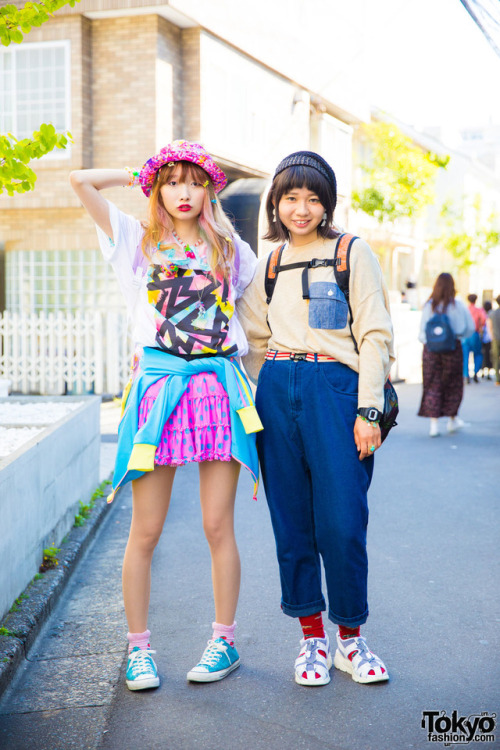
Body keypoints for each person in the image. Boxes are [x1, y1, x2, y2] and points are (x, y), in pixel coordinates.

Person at [70, 140, 261, 691]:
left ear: (210, 189)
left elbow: (250, 325)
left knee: (217, 524)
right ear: (158, 188)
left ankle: (223, 641)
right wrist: (141, 171)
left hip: (218, 388)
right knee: (145, 529)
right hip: (158, 390)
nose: (183, 192)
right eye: (172, 181)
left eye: (194, 181)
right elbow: (80, 181)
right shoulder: (136, 238)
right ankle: (139, 651)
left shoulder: (232, 250)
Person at [237, 150, 394, 687]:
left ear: (326, 202)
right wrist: (270, 388)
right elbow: (253, 338)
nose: (300, 209)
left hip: (337, 391)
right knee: (292, 522)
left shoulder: (352, 252)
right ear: (275, 204)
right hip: (279, 390)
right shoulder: (270, 263)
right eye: (290, 198)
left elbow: (375, 334)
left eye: (312, 198)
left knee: (342, 521)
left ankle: (350, 638)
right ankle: (312, 638)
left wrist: (368, 408)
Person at [418, 273, 474, 437]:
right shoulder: (458, 305)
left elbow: (422, 331)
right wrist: (458, 337)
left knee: (432, 383)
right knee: (453, 383)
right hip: (452, 349)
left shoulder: (429, 305)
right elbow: (469, 327)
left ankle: (433, 425)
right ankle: (452, 420)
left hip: (431, 350)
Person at [462, 293, 487, 383]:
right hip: (475, 334)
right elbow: (484, 319)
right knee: (478, 354)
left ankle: (466, 375)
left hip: (465, 335)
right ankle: (476, 373)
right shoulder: (479, 310)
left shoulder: (465, 309)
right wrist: (480, 326)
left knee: (465, 356)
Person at [488, 295, 500, 386]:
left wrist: (491, 337)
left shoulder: (492, 313)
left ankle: (497, 378)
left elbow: (489, 327)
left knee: (495, 359)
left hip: (495, 338)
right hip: (496, 338)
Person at [480, 300, 493, 379]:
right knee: (489, 355)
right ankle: (487, 373)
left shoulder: (482, 314)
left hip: (483, 337)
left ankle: (483, 371)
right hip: (490, 338)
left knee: (483, 354)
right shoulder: (491, 314)